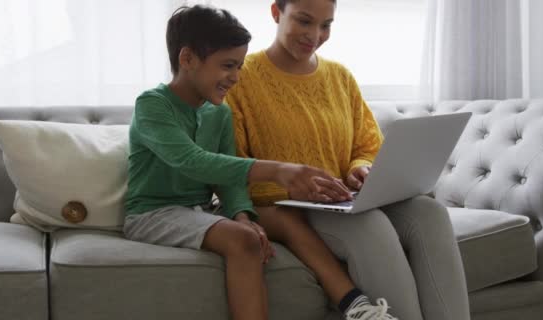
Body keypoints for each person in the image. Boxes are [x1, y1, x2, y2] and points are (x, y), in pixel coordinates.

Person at [123, 5, 395, 320]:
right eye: (227, 66)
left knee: (262, 227)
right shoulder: (151, 105)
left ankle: (356, 306)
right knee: (244, 240)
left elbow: (227, 177)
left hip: (201, 211)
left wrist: (241, 213)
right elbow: (192, 161)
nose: (236, 78)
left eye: (239, 66)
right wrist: (279, 170)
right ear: (187, 59)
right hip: (151, 214)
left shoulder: (219, 112)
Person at [225, 1, 472, 319]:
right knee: (368, 225)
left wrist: (361, 169)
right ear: (276, 13)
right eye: (304, 21)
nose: (315, 35)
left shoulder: (340, 77)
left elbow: (367, 145)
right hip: (289, 208)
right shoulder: (240, 81)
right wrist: (293, 188)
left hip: (344, 199)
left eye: (326, 25)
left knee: (429, 211)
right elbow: (232, 167)